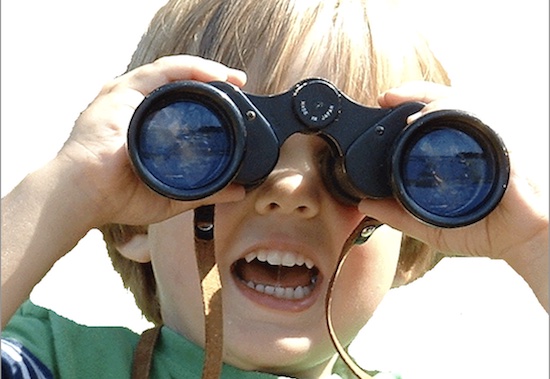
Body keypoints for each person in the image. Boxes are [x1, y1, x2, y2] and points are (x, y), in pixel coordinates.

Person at [2, 0, 547, 378]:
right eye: (212, 149)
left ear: (410, 242)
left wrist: (533, 235)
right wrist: (72, 185)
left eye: (360, 172)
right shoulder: (53, 362)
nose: (290, 191)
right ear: (131, 223)